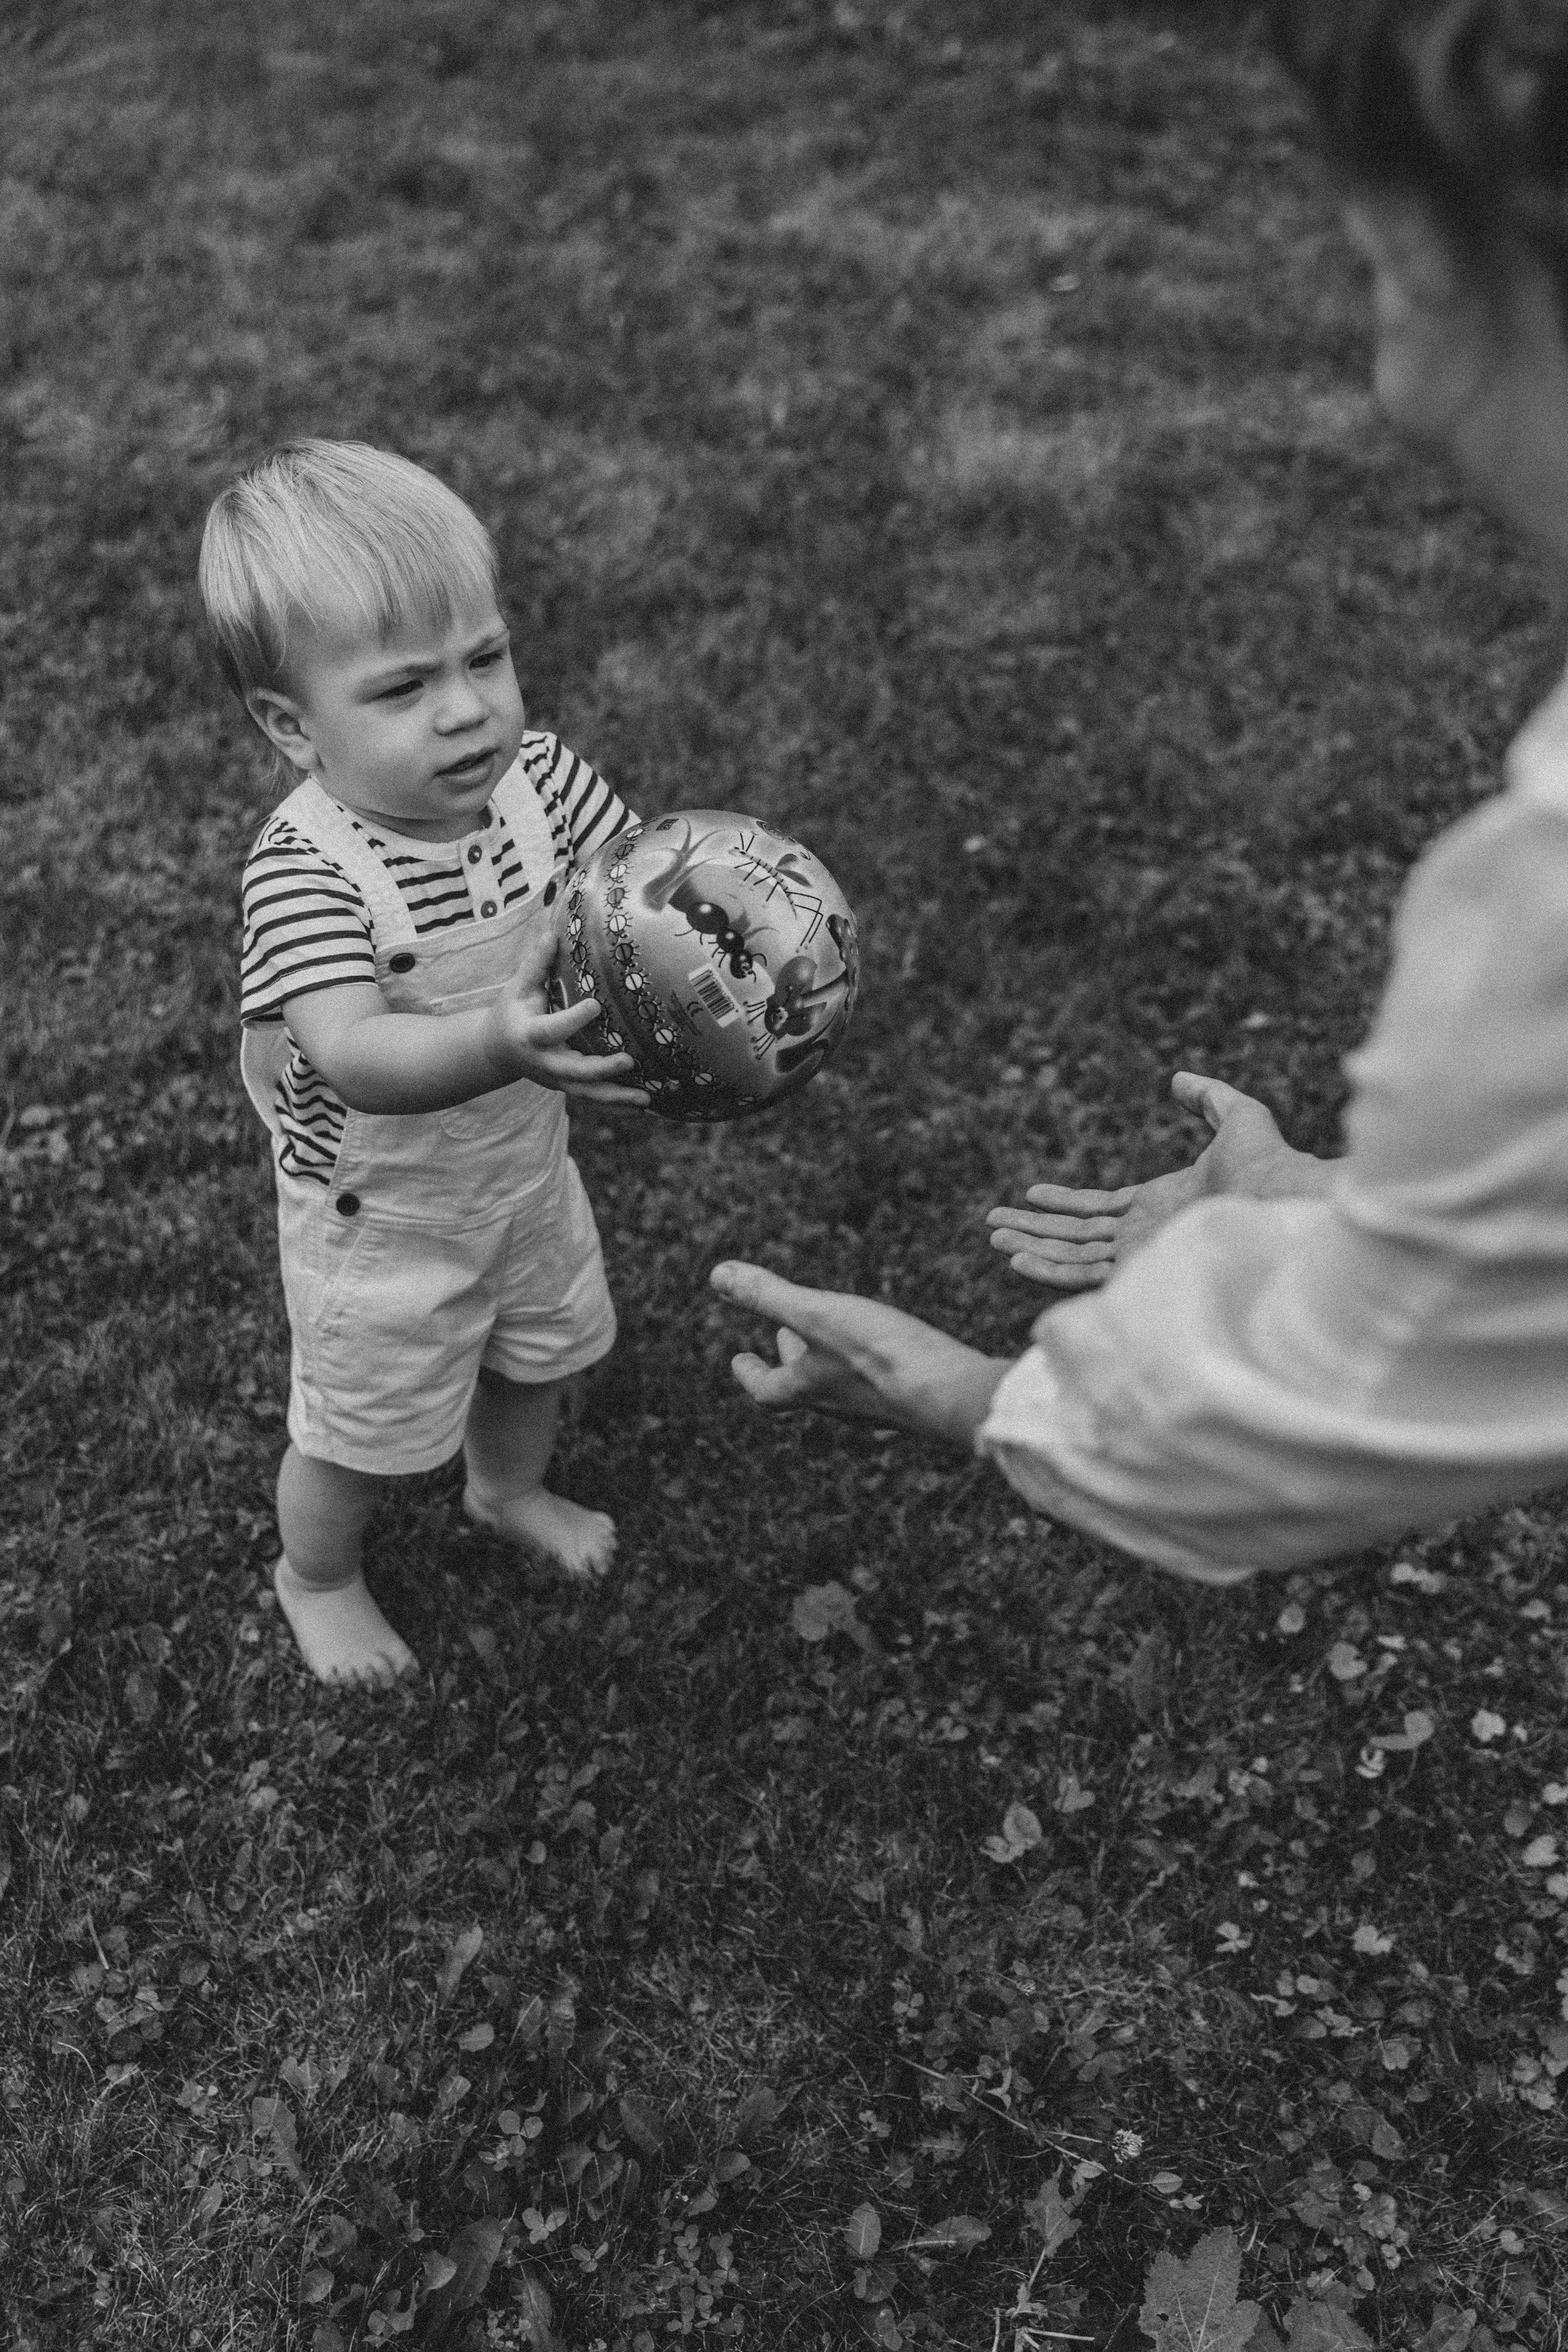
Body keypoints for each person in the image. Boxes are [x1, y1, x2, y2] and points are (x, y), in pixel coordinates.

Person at [712, 0, 1568, 1584]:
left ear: (1447, 247)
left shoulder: (1547, 906)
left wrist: (967, 1392)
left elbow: (1326, 1402)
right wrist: (1328, 1200)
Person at [202, 440, 646, 1687]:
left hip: (517, 1168)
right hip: (382, 1217)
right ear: (293, 727)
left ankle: (506, 1491)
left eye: (485, 659)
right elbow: (348, 1051)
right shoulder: (309, 870)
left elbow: (633, 890)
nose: (466, 709)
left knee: (541, 1351)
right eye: (402, 690)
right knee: (358, 1429)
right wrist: (498, 1040)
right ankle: (318, 1575)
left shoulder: (541, 781)